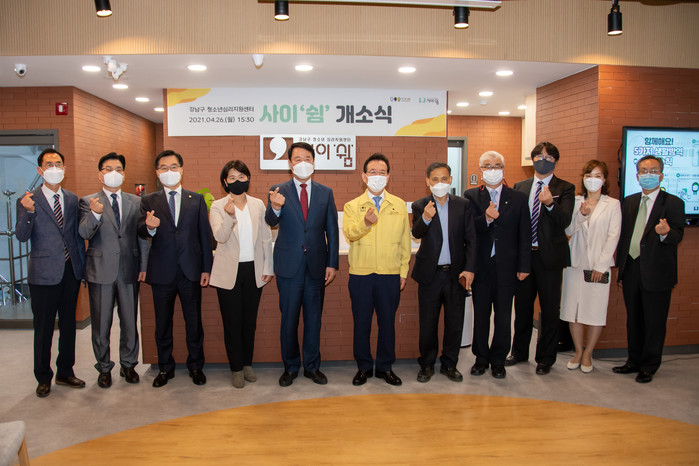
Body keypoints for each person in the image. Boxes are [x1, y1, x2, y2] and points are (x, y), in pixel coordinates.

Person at [265, 142, 339, 387]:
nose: (303, 162)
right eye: (297, 159)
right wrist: (275, 207)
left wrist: (332, 263)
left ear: (314, 162)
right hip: (289, 267)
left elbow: (332, 230)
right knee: (289, 320)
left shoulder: (325, 192)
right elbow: (270, 221)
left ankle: (312, 367)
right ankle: (290, 367)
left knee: (313, 319)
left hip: (317, 266)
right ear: (290, 164)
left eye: (307, 158)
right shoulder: (278, 190)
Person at [138, 149, 213, 388]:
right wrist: (149, 228)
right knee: (162, 325)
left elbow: (205, 236)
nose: (168, 171)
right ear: (157, 172)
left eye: (173, 167)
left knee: (194, 323)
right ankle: (165, 368)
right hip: (162, 272)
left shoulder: (196, 199)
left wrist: (206, 269)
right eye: (163, 168)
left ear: (181, 169)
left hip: (191, 271)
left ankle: (196, 367)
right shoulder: (149, 201)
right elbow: (140, 229)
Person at [15, 148, 86, 397]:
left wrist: (81, 268)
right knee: (44, 328)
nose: (54, 168)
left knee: (68, 325)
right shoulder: (28, 199)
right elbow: (21, 236)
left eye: (58, 164)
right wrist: (28, 212)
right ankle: (43, 377)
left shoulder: (72, 199)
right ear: (40, 170)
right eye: (49, 164)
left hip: (70, 270)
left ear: (64, 169)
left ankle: (65, 371)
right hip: (43, 273)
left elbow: (76, 237)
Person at [79, 152, 150, 388]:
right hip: (100, 270)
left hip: (129, 269)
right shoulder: (88, 201)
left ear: (124, 174)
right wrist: (95, 213)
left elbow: (141, 237)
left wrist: (143, 265)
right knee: (101, 323)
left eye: (118, 169)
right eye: (108, 169)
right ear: (100, 175)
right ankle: (104, 367)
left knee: (129, 321)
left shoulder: (136, 201)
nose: (114, 173)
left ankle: (128, 365)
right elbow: (83, 233)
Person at [613, 155, 684, 383]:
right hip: (632, 268)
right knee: (634, 319)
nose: (648, 175)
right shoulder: (629, 201)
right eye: (644, 171)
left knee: (654, 322)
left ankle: (649, 366)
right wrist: (621, 269)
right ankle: (633, 361)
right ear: (637, 175)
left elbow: (678, 235)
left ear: (661, 175)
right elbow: (624, 238)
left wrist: (666, 234)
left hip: (657, 272)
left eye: (653, 171)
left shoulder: (673, 203)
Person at [343, 153, 411, 386]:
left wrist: (403, 272)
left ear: (388, 176)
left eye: (382, 172)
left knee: (387, 324)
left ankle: (385, 367)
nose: (377, 176)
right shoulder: (353, 205)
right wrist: (365, 223)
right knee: (361, 323)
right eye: (372, 172)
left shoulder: (399, 205)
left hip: (390, 275)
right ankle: (363, 367)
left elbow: (405, 242)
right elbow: (350, 233)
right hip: (361, 275)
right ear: (364, 176)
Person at [507, 142, 575, 375]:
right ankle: (519, 352)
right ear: (532, 159)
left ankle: (546, 358)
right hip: (525, 257)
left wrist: (550, 204)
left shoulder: (565, 188)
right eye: (538, 156)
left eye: (548, 157)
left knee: (549, 310)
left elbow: (565, 220)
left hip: (550, 259)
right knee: (522, 308)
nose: (542, 160)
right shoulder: (521, 187)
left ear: (555, 161)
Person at [464, 151, 530, 379]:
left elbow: (524, 233)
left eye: (497, 166)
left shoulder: (518, 197)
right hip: (481, 267)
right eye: (487, 166)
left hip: (507, 267)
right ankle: (481, 358)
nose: (492, 170)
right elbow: (469, 230)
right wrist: (486, 218)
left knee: (503, 317)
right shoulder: (471, 196)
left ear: (503, 168)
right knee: (481, 316)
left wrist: (524, 265)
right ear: (481, 170)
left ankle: (498, 360)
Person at [209, 160, 274, 388]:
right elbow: (220, 237)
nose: (238, 181)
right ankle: (236, 368)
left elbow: (266, 237)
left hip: (253, 270)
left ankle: (247, 364)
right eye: (232, 178)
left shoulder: (258, 204)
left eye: (242, 177)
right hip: (229, 272)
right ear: (225, 182)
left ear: (248, 179)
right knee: (232, 323)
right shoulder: (218, 206)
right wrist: (229, 216)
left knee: (249, 323)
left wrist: (268, 267)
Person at [411, 162, 476, 383]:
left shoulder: (463, 205)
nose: (440, 183)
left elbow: (471, 239)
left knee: (454, 323)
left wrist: (469, 268)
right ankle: (427, 364)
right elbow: (416, 233)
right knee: (428, 323)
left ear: (451, 180)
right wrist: (426, 217)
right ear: (428, 181)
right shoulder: (420, 205)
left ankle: (450, 364)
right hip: (430, 275)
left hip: (455, 275)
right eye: (435, 179)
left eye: (444, 179)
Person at [560, 160, 621, 373]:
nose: (592, 179)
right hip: (575, 264)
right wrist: (581, 215)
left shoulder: (612, 205)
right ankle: (578, 351)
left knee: (595, 311)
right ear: (583, 178)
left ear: (604, 180)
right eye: (589, 175)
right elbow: (568, 230)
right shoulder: (576, 202)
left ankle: (588, 354)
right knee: (573, 310)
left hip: (598, 266)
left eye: (597, 175)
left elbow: (613, 237)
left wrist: (601, 266)